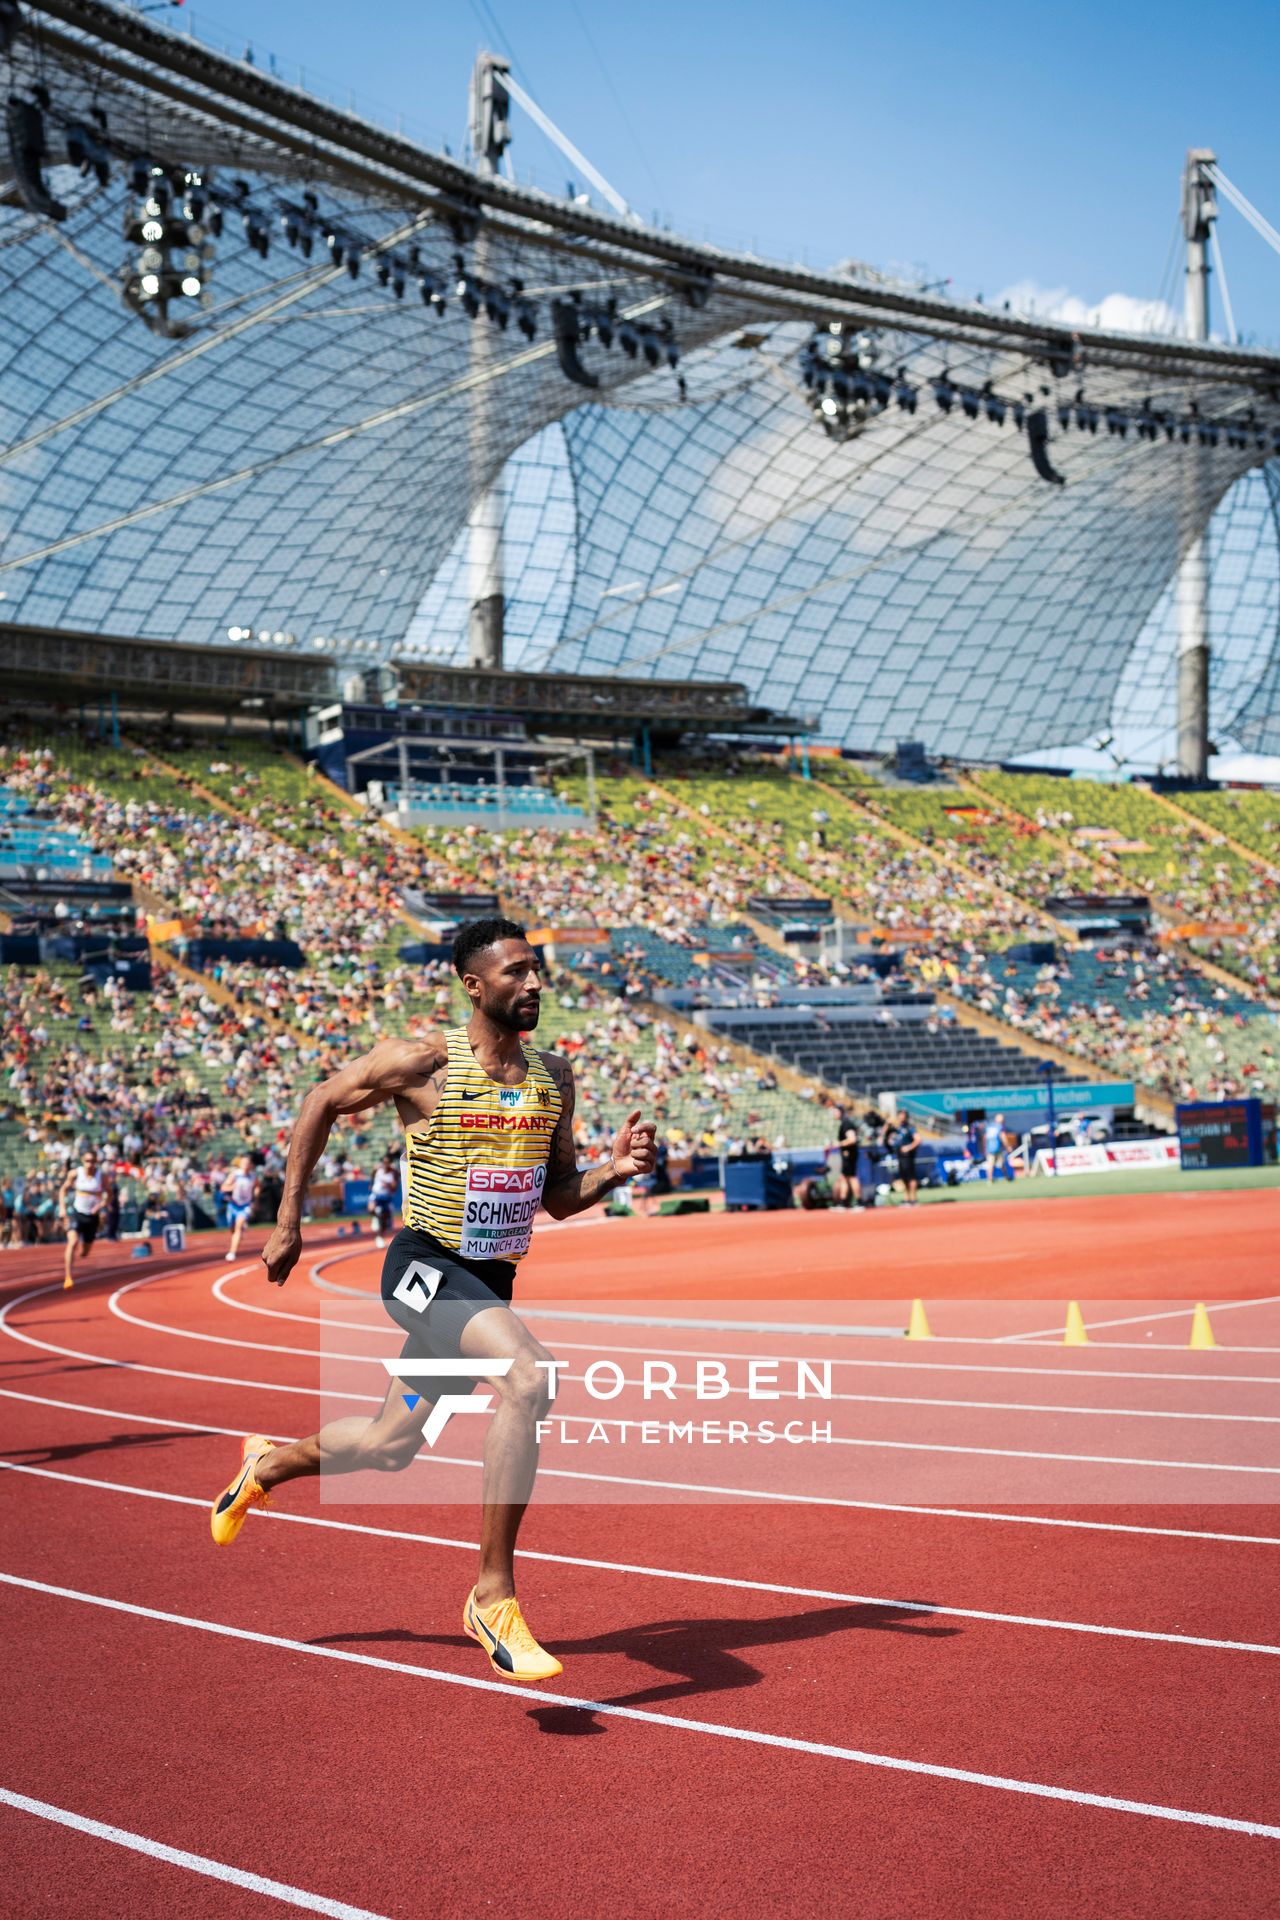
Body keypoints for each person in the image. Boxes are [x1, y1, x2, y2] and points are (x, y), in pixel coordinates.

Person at [209, 916, 656, 1684]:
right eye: (516, 972)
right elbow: (320, 1100)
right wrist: (287, 1223)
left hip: (485, 1287)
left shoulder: (554, 1079)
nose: (535, 984)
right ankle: (492, 1595)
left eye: (537, 970)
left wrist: (612, 1174)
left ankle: (265, 1465)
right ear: (473, 986)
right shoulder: (420, 1063)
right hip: (423, 1269)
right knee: (530, 1376)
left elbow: (553, 1196)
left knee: (390, 1446)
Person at [57, 1147, 109, 1290]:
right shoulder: (75, 1174)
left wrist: (101, 1205)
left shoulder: (101, 1176)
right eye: (87, 1161)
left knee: (85, 1253)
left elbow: (109, 1194)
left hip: (92, 1217)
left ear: (96, 1162)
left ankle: (82, 1251)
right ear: (82, 1161)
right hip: (77, 1213)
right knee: (72, 1242)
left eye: (92, 1161)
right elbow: (63, 1190)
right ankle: (68, 1277)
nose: (89, 1164)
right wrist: (62, 1208)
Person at [221, 1154, 259, 1262]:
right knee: (232, 1229)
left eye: (247, 1163)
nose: (245, 1165)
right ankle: (239, 1232)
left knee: (239, 1226)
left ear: (251, 1165)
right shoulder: (235, 1175)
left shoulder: (253, 1176)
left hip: (245, 1205)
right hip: (233, 1205)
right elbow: (223, 1188)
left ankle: (232, 1252)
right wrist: (232, 1187)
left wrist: (255, 1196)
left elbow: (257, 1186)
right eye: (243, 1163)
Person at [884, 1109, 921, 1206]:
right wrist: (887, 1124)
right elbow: (884, 1135)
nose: (901, 1117)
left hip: (908, 1156)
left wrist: (908, 1147)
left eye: (903, 1115)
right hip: (899, 1155)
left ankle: (913, 1199)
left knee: (911, 1176)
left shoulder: (909, 1127)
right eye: (900, 1115)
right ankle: (907, 1198)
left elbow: (918, 1139)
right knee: (904, 1177)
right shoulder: (897, 1128)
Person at [368, 1150, 400, 1248]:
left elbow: (395, 1187)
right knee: (371, 1209)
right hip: (376, 1194)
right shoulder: (377, 1169)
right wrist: (371, 1184)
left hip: (386, 1196)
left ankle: (380, 1237)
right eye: (384, 1162)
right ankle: (375, 1218)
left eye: (387, 1163)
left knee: (383, 1218)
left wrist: (389, 1185)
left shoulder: (393, 1173)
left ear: (390, 1163)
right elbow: (372, 1176)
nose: (385, 1164)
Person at [983, 1112, 1007, 1183]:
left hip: (989, 1149)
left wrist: (984, 1148)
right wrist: (1008, 1146)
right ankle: (1006, 1177)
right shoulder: (1000, 1127)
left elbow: (985, 1138)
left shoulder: (989, 1127)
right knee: (1001, 1164)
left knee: (990, 1165)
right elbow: (1003, 1137)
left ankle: (989, 1180)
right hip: (997, 1148)